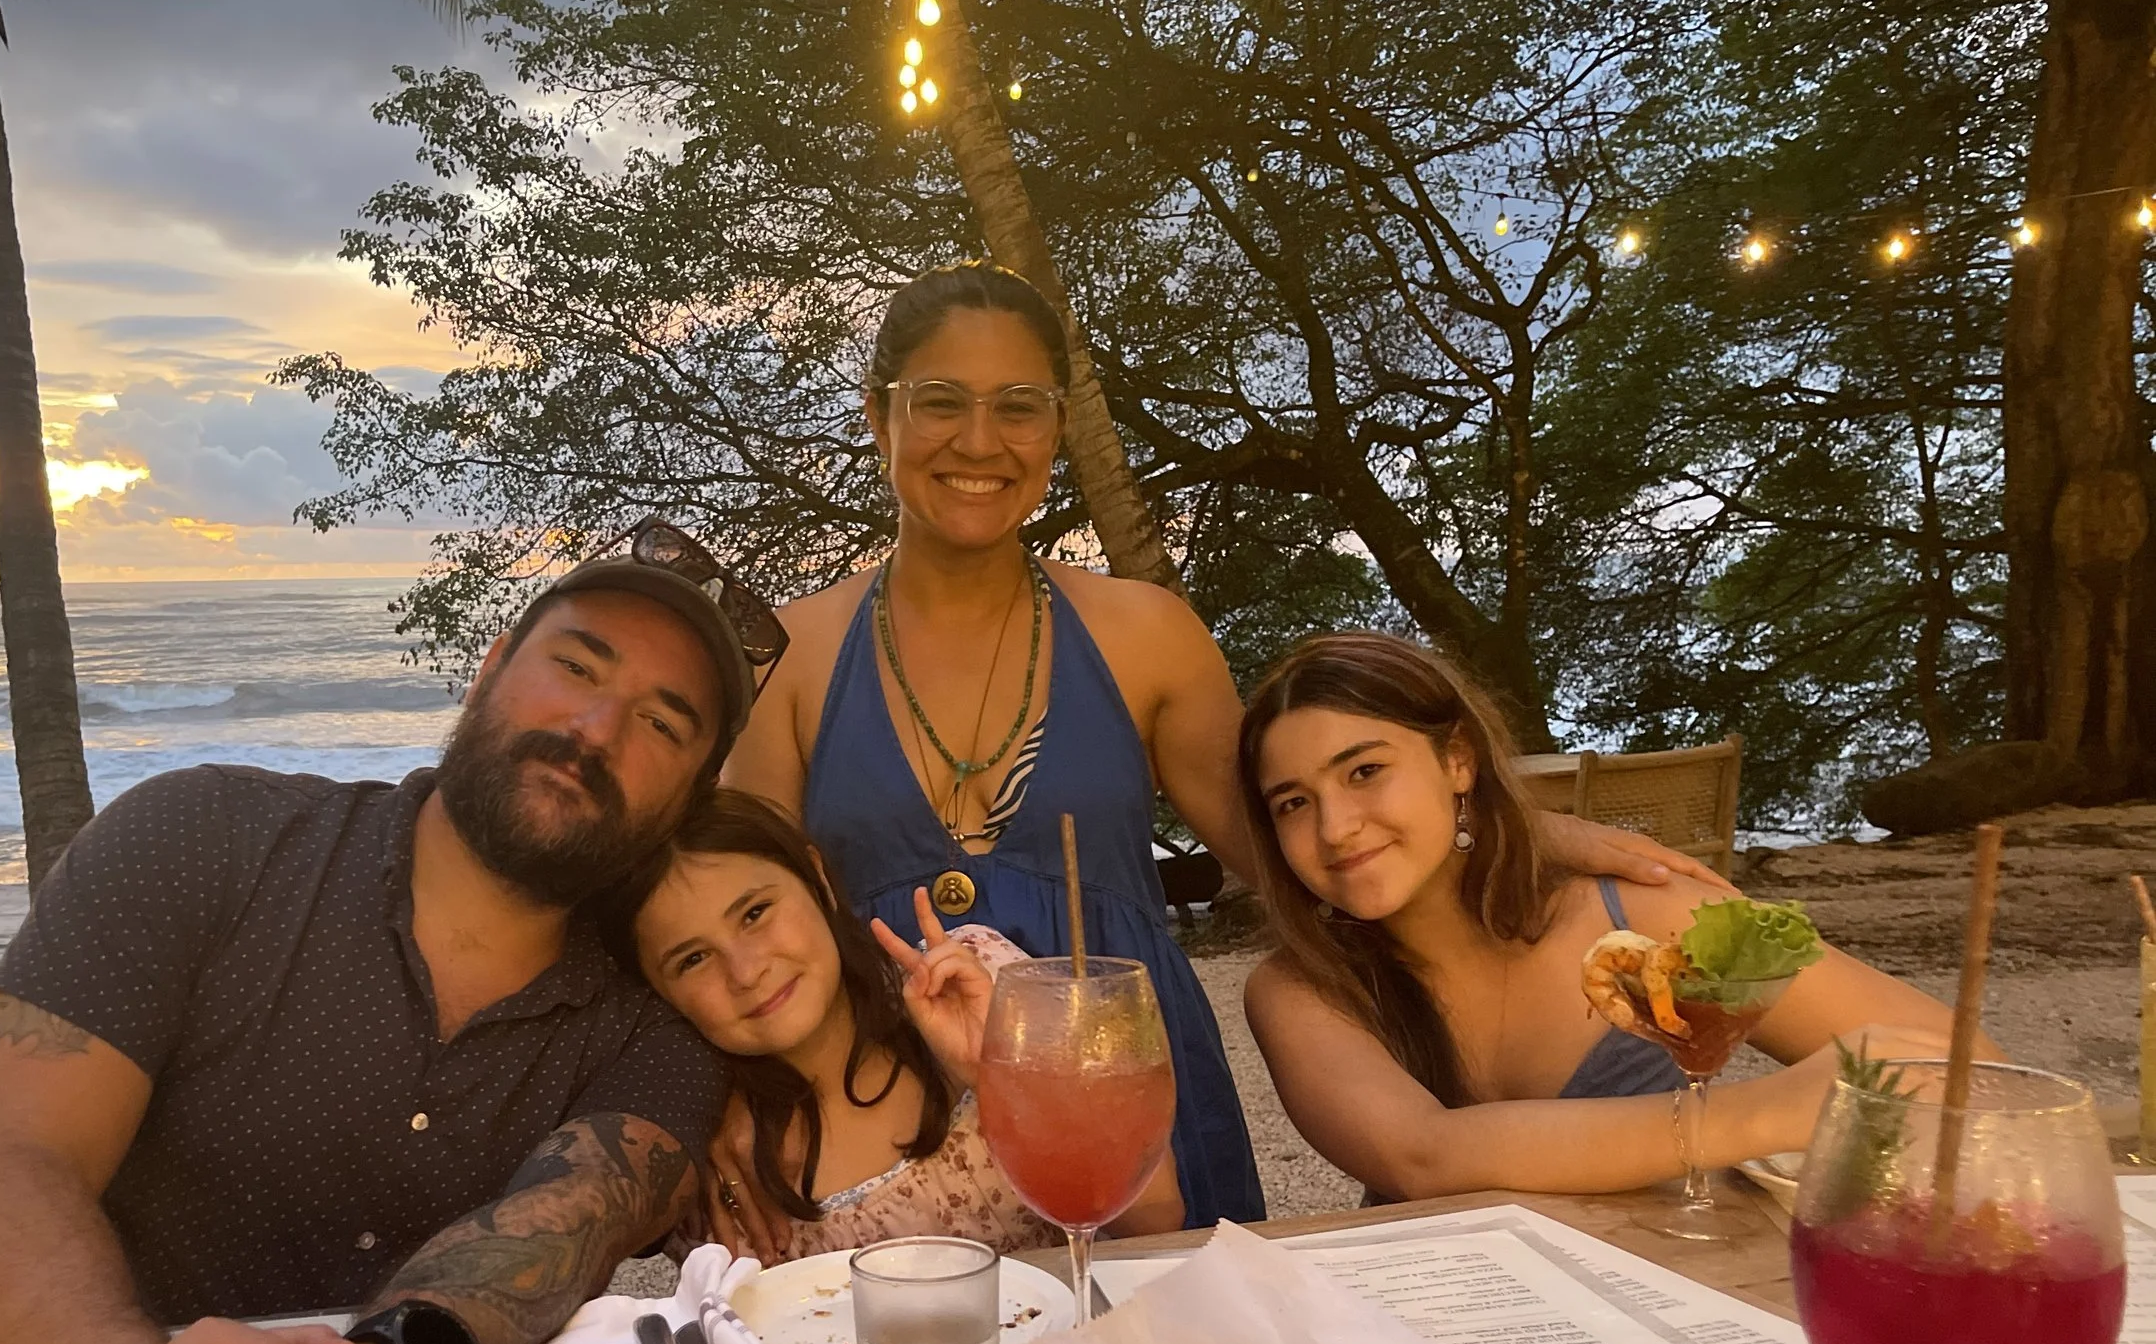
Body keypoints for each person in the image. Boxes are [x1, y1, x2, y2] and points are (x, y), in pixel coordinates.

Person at [730, 260, 1738, 1231]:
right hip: (896, 1118)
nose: (980, 440)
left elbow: (1292, 842)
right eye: (942, 400)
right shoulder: (794, 655)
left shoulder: (1144, 632)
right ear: (880, 414)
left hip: (1138, 1109)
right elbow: (748, 912)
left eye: (1021, 406)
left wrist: (1521, 835)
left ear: (1059, 428)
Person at [0, 536, 780, 1344]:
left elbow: (570, 1218)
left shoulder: (659, 1017)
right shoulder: (200, 840)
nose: (594, 730)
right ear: (491, 664)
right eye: (577, 668)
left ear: (689, 794)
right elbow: (7, 1153)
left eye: (661, 725)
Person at [1236, 632, 1966, 1202]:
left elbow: (1968, 1069)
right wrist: (1761, 1114)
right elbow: (1424, 1154)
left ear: (1459, 761)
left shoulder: (1642, 914)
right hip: (1433, 1339)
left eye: (1365, 772)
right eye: (1293, 802)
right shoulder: (1303, 990)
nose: (1334, 827)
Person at [613, 787, 1184, 1263]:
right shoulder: (700, 1146)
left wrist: (1006, 1079)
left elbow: (1156, 1216)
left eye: (756, 913)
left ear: (818, 879)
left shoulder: (976, 978)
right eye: (692, 959)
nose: (745, 971)